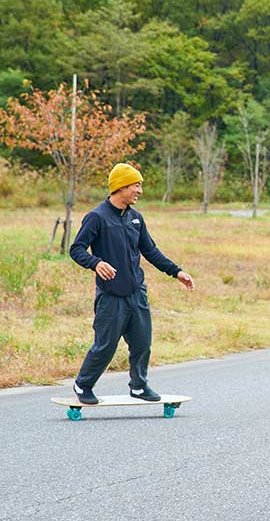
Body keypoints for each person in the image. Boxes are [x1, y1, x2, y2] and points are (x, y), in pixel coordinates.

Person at [69, 163, 194, 404]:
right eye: (136, 185)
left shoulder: (136, 218)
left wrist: (176, 272)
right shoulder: (97, 217)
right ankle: (83, 384)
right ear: (121, 187)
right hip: (111, 296)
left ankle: (138, 386)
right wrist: (95, 263)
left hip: (136, 292)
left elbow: (150, 250)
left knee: (142, 342)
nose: (140, 191)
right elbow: (76, 249)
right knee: (105, 346)